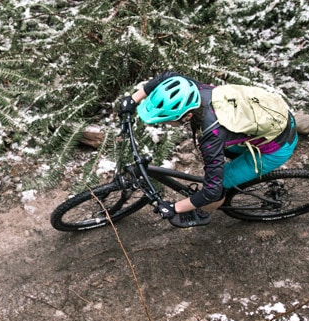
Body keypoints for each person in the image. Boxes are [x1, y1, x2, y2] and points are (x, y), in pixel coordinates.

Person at [118, 72, 298, 228]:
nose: (164, 124)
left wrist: (175, 208)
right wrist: (134, 99)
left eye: (166, 120)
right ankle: (238, 172)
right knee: (222, 161)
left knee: (220, 185)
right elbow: (169, 77)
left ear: (187, 116)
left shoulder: (211, 135)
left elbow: (211, 191)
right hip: (273, 120)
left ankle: (202, 215)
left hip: (276, 146)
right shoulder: (194, 90)